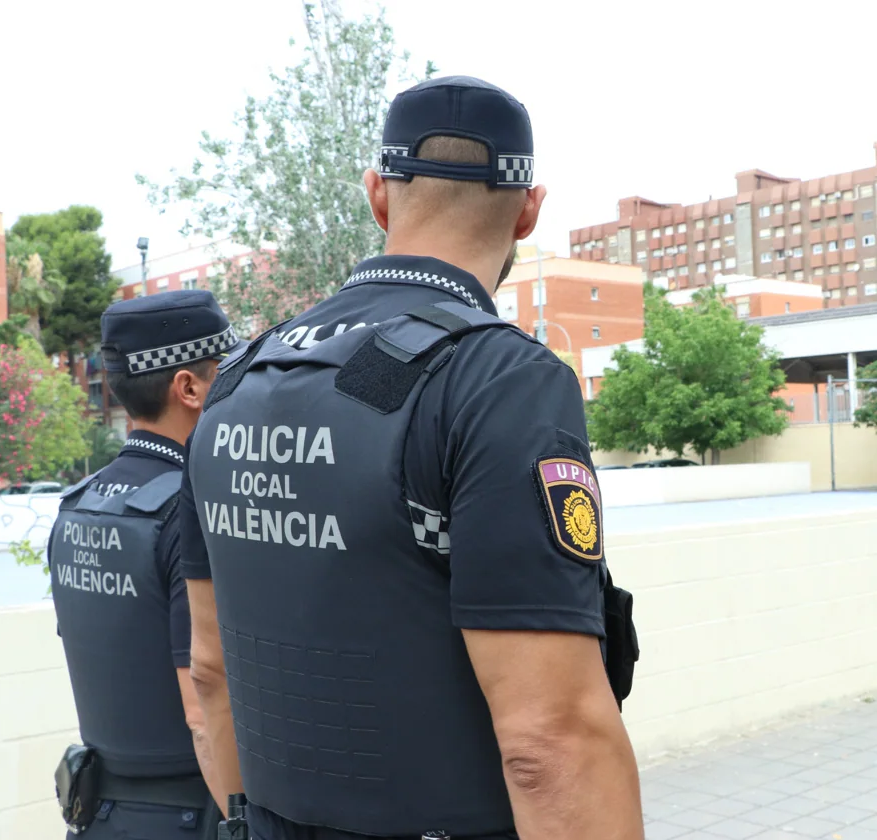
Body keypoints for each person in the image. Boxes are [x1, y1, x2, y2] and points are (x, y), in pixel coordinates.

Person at [180, 75, 643, 840]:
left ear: (379, 196)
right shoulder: (499, 382)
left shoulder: (239, 381)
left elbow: (209, 673)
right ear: (530, 209)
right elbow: (549, 741)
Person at [48, 291, 243, 838]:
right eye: (225, 371)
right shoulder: (186, 510)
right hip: (190, 814)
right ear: (188, 388)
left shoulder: (76, 506)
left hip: (97, 817)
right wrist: (244, 820)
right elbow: (202, 701)